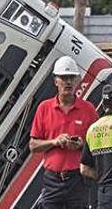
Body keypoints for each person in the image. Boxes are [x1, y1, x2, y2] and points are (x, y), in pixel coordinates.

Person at [30, 56, 99, 209]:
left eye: (71, 78)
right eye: (63, 77)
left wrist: (82, 145)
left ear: (77, 81)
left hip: (78, 180)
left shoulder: (88, 110)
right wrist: (54, 142)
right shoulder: (44, 108)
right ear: (56, 81)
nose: (68, 82)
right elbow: (33, 146)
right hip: (52, 180)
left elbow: (99, 145)